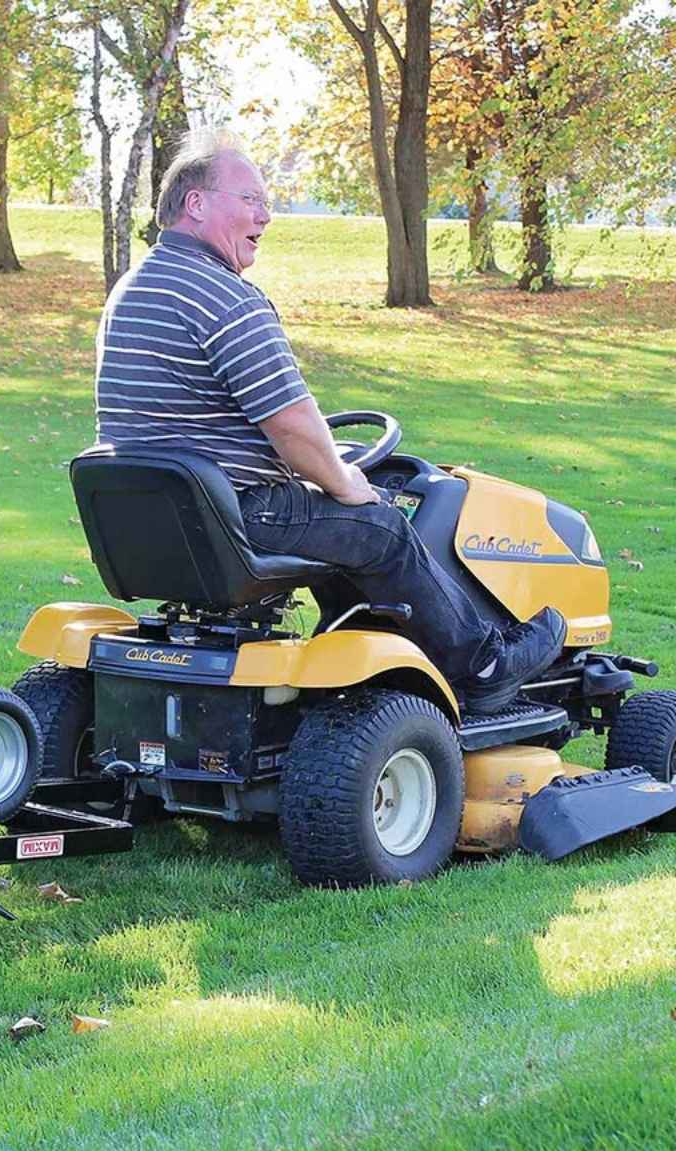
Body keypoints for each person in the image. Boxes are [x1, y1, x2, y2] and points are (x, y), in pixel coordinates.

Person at [93, 128, 565, 716]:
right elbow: (292, 427)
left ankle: (366, 660)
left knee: (344, 527)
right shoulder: (225, 298)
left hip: (155, 522)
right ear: (196, 203)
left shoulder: (132, 290)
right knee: (380, 527)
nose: (266, 216)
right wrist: (345, 485)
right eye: (252, 200)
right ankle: (484, 665)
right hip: (238, 514)